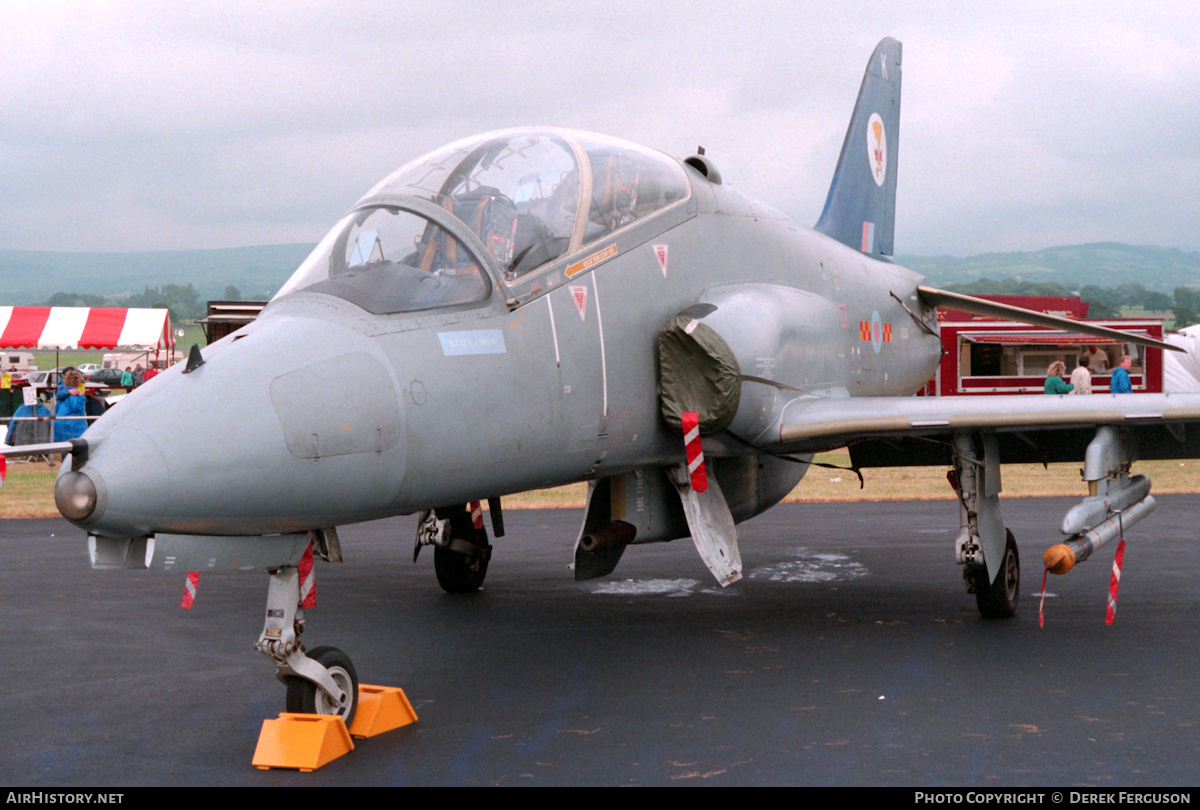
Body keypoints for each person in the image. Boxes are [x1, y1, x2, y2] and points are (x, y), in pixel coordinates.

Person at [54, 368, 88, 441]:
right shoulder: (75, 395)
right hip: (72, 427)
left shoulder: (63, 396)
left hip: (61, 426)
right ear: (76, 381)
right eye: (79, 379)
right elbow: (77, 407)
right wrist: (82, 398)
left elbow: (56, 409)